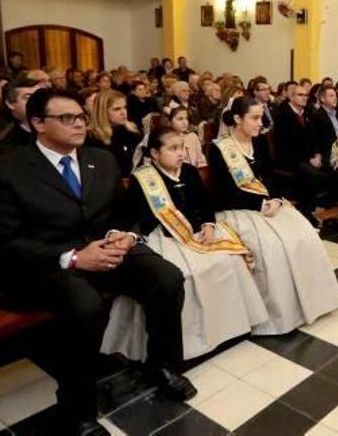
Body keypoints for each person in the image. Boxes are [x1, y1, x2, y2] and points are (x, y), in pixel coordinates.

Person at [0, 88, 195, 435]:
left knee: (166, 276)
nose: (79, 124)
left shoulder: (101, 159)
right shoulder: (5, 171)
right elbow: (5, 244)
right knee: (85, 305)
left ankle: (162, 366)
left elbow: (124, 215)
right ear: (38, 123)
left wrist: (127, 236)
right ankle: (77, 409)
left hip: (104, 248)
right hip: (48, 263)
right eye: (67, 118)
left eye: (80, 116)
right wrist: (75, 257)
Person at [104, 127, 268, 361]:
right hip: (164, 235)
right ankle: (192, 343)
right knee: (189, 273)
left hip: (198, 231)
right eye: (173, 149)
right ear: (155, 153)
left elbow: (205, 205)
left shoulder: (190, 172)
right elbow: (133, 216)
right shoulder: (144, 178)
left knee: (229, 260)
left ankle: (229, 328)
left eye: (182, 147)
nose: (181, 153)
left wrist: (209, 225)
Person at [207, 98, 338, 334]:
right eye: (255, 118)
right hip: (237, 209)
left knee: (305, 235)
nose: (261, 123)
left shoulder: (258, 143)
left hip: (268, 204)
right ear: (238, 119)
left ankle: (313, 302)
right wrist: (260, 203)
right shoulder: (219, 149)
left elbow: (271, 177)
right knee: (271, 246)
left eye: (261, 117)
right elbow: (223, 191)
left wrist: (278, 199)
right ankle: (279, 314)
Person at [272, 85, 323, 226]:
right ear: (291, 96)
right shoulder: (283, 115)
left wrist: (317, 154)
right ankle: (306, 211)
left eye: (306, 95)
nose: (305, 98)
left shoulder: (308, 113)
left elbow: (315, 138)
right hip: (289, 158)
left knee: (328, 169)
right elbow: (287, 144)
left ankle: (311, 206)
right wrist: (309, 159)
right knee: (310, 173)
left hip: (308, 156)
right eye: (300, 95)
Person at [309, 85, 338, 206]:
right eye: (331, 96)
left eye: (335, 95)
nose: (335, 98)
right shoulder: (317, 116)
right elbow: (315, 139)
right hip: (328, 151)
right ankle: (336, 198)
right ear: (322, 99)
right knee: (337, 162)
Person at [86, 90, 143, 177]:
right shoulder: (92, 137)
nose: (123, 113)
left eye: (125, 107)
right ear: (103, 111)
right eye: (117, 109)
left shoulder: (133, 130)